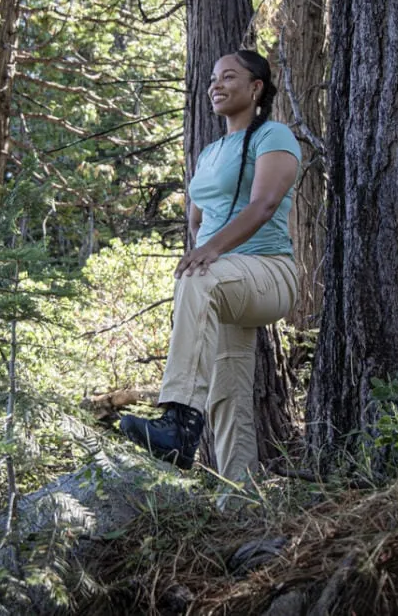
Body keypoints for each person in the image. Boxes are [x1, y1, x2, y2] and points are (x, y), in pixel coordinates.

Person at [120, 49, 300, 483]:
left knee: (198, 276)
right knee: (227, 393)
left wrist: (211, 251)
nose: (216, 85)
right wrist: (205, 248)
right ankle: (239, 495)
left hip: (269, 274)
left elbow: (264, 204)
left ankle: (178, 423)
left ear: (256, 87)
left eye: (229, 77)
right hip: (226, 285)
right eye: (213, 78)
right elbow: (198, 223)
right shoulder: (210, 153)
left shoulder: (272, 136)